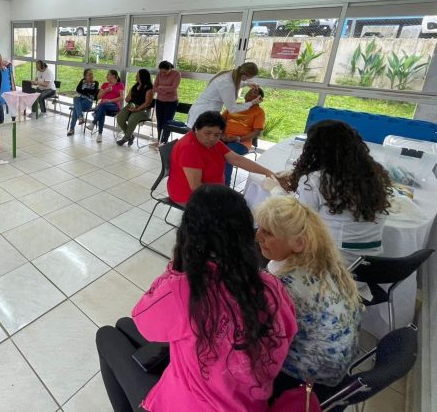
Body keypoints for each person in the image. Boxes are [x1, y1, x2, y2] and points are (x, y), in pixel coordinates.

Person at [96, 185, 298, 412]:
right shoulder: (272, 286)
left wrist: (178, 266)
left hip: (191, 403)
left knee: (106, 335)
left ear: (189, 233)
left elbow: (143, 320)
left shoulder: (185, 288)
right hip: (247, 403)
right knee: (124, 326)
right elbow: (289, 332)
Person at [255, 196, 362, 398]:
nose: (258, 236)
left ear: (298, 243)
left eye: (268, 233)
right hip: (338, 367)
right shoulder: (323, 263)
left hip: (309, 382)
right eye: (259, 228)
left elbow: (262, 338)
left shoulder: (286, 286)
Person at [286, 119, 392, 263]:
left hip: (332, 263)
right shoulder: (373, 176)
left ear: (314, 150)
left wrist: (278, 192)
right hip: (371, 263)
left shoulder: (314, 181)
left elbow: (297, 221)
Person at [167, 111, 276, 205]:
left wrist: (267, 172)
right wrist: (225, 195)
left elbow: (237, 159)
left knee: (250, 204)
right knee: (243, 210)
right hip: (191, 197)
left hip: (212, 190)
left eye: (217, 135)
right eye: (208, 133)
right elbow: (196, 187)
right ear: (196, 129)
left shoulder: (214, 143)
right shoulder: (189, 148)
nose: (212, 138)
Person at [186, 62, 262, 127]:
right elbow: (233, 109)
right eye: (249, 78)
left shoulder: (230, 74)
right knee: (201, 137)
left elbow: (233, 83)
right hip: (204, 112)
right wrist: (252, 102)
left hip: (204, 110)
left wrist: (247, 84)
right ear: (245, 75)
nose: (248, 80)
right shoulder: (226, 83)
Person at [221, 87, 266, 186]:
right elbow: (219, 121)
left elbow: (256, 132)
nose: (249, 93)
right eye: (249, 91)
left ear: (260, 99)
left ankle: (224, 187)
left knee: (227, 155)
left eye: (254, 93)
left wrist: (238, 138)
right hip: (223, 138)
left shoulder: (259, 112)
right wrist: (221, 134)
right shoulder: (235, 106)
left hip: (241, 143)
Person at [115, 69, 154, 146]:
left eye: (137, 75)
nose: (135, 76)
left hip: (143, 109)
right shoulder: (135, 86)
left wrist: (136, 109)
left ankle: (125, 138)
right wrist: (130, 98)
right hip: (131, 106)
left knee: (132, 119)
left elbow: (147, 103)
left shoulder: (149, 88)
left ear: (142, 77)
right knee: (120, 117)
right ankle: (131, 136)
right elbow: (127, 99)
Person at [87, 69, 124, 143]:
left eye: (108, 74)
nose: (106, 76)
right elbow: (98, 97)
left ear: (113, 76)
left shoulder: (120, 85)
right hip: (103, 106)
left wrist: (109, 100)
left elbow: (122, 97)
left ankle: (94, 123)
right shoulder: (105, 84)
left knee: (102, 106)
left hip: (114, 106)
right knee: (102, 110)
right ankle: (99, 135)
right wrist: (106, 90)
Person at [152, 61, 181, 147]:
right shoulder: (159, 74)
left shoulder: (176, 74)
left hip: (171, 102)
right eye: (161, 71)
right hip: (159, 101)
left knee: (167, 122)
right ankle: (159, 140)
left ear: (170, 69)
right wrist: (165, 90)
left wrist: (161, 87)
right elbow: (154, 87)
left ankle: (164, 142)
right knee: (159, 122)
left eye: (164, 72)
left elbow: (173, 88)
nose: (162, 74)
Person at [67, 68, 99, 136]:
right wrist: (87, 91)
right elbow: (78, 90)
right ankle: (80, 117)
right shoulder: (82, 81)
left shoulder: (95, 83)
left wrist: (84, 90)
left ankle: (72, 128)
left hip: (88, 103)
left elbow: (93, 92)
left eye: (92, 74)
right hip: (79, 100)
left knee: (76, 107)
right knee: (75, 99)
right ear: (85, 76)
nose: (91, 76)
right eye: (89, 75)